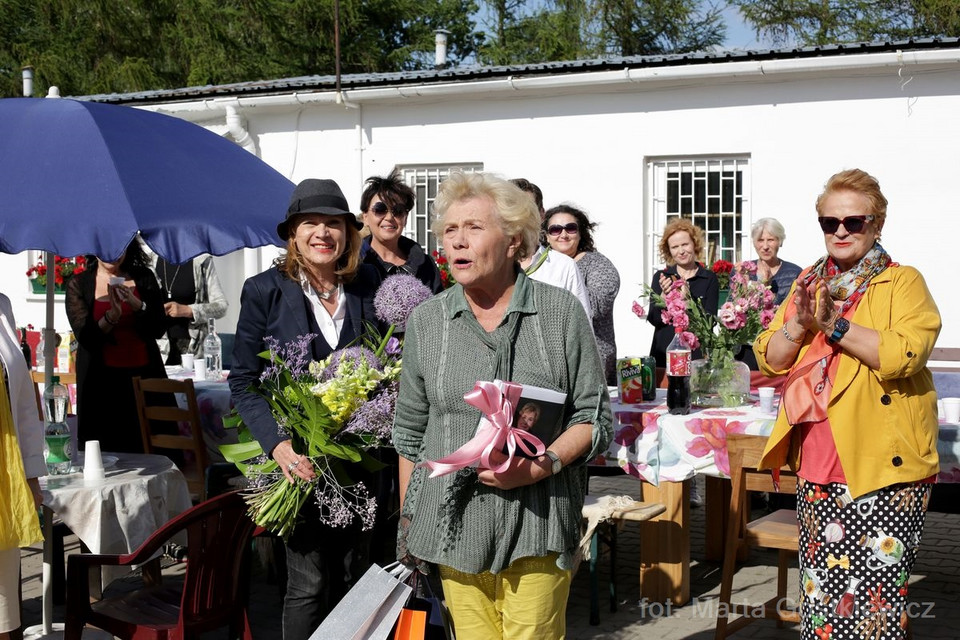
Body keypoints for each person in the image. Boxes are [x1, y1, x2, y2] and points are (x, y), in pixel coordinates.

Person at [394, 172, 612, 639]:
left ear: (514, 241)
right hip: (452, 529)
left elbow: (594, 418)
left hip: (538, 524)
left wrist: (541, 466)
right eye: (449, 231)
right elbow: (411, 435)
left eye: (473, 227)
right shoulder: (428, 322)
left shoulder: (560, 314)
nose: (457, 241)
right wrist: (411, 528)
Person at [754, 169, 940, 639]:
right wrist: (800, 323)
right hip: (817, 463)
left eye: (854, 222)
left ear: (877, 225)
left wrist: (833, 324)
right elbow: (773, 359)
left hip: (883, 466)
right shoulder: (809, 284)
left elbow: (903, 354)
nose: (840, 231)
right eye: (829, 222)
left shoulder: (901, 283)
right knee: (822, 605)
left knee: (873, 610)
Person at [228, 178, 381, 640]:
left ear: (349, 234)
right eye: (310, 223)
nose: (323, 233)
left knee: (360, 578)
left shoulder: (370, 286)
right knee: (309, 584)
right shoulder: (264, 290)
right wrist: (277, 446)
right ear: (292, 234)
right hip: (299, 462)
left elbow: (391, 364)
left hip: (361, 461)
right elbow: (243, 380)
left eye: (334, 223)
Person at [66, 239, 168, 454]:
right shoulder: (80, 283)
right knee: (108, 453)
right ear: (94, 252)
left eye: (118, 249)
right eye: (105, 250)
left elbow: (158, 327)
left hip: (144, 377)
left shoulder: (143, 277)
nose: (112, 255)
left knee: (151, 448)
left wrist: (137, 305)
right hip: (102, 384)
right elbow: (86, 337)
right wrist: (111, 317)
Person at [0, 295, 44, 640]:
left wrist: (32, 474)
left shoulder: (1, 305)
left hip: (5, 477)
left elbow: (25, 402)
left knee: (5, 612)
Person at [545, 204, 620, 385]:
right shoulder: (540, 264)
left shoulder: (598, 265)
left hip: (589, 361)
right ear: (546, 236)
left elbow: (595, 308)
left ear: (580, 233)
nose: (563, 234)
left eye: (570, 228)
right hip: (547, 359)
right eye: (555, 229)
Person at [510, 178, 592, 320]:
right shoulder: (491, 266)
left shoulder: (564, 267)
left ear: (542, 214)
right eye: (512, 208)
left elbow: (582, 327)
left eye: (528, 209)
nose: (520, 217)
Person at [646, 219, 719, 368]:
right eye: (675, 247)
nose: (681, 251)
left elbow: (710, 322)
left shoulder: (709, 278)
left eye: (685, 244)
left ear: (695, 244)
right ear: (669, 251)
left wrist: (688, 301)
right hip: (664, 353)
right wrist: (663, 298)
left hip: (695, 356)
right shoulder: (662, 277)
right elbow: (654, 319)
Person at [359, 171, 444, 294]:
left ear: (406, 218)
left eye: (398, 211)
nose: (389, 217)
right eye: (380, 209)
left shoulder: (426, 265)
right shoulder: (353, 265)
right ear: (365, 217)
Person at [149, 252, 229, 365]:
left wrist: (190, 310)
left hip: (194, 351)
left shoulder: (201, 261)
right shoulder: (150, 261)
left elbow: (222, 306)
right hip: (159, 349)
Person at [748, 217, 802, 305]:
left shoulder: (795, 273)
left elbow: (796, 310)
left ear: (780, 242)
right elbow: (731, 309)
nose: (765, 246)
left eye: (770, 240)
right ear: (754, 243)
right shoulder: (744, 272)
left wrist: (769, 291)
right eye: (760, 240)